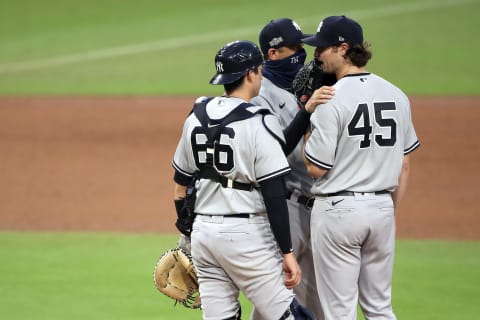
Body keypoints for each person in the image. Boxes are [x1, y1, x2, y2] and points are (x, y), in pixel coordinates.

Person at [172, 40, 315, 320]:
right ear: (250, 74)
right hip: (246, 239)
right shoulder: (260, 120)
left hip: (204, 237)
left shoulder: (196, 116)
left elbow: (180, 186)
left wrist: (187, 234)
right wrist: (287, 251)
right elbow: (274, 193)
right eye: (260, 71)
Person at [301, 15, 420, 320]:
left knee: (339, 312)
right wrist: (385, 210)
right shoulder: (397, 94)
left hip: (338, 212)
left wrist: (307, 118)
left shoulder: (329, 99)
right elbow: (404, 164)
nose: (317, 56)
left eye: (322, 49)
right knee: (380, 308)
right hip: (381, 210)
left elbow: (315, 168)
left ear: (343, 49)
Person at [251, 18, 336, 319]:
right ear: (272, 54)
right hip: (286, 206)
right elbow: (275, 153)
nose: (303, 54)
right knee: (274, 302)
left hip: (322, 209)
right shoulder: (261, 96)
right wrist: (308, 109)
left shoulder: (307, 84)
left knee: (321, 305)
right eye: (296, 48)